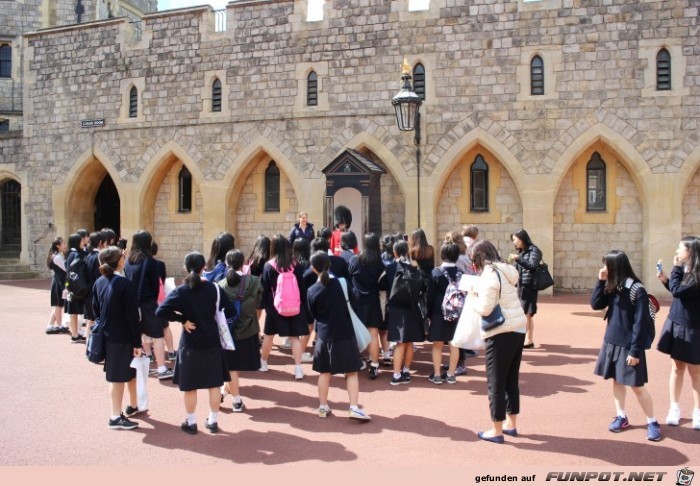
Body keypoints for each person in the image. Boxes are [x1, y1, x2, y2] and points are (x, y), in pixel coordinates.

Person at [156, 251, 233, 434]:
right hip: (212, 340)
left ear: (185, 267)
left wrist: (182, 319)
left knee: (190, 386)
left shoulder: (181, 291)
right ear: (203, 267)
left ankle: (191, 422)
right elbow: (229, 311)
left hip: (190, 343)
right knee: (214, 384)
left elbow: (161, 311)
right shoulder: (214, 288)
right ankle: (213, 421)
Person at [591, 250, 661, 441]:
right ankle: (621, 416)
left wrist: (635, 350)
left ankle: (652, 421)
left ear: (616, 266)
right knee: (617, 381)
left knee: (637, 387)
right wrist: (600, 281)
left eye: (606, 265)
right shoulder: (613, 285)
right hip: (611, 341)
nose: (604, 268)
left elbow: (640, 323)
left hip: (629, 346)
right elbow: (596, 304)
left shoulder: (637, 289)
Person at [465, 240, 526, 444]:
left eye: (474, 258)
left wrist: (473, 296)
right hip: (517, 327)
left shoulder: (489, 275)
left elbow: (485, 308)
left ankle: (496, 430)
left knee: (495, 382)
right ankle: (511, 424)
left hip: (501, 331)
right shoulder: (506, 270)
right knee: (510, 380)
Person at [307, 251, 371, 421]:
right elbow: (354, 303)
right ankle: (353, 407)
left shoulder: (312, 290)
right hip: (345, 332)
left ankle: (322, 407)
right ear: (329, 264)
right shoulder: (343, 283)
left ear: (313, 268)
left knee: (324, 372)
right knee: (351, 372)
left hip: (323, 335)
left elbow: (313, 313)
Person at [92, 246, 142, 430]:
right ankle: (114, 416)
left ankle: (133, 405)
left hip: (109, 335)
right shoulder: (125, 284)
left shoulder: (99, 282)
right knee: (118, 378)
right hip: (122, 338)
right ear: (119, 261)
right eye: (123, 256)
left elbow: (95, 310)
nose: (125, 258)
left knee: (124, 374)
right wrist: (137, 342)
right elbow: (132, 317)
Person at [656, 236, 700, 430]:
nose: (677, 251)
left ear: (690, 252)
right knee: (677, 368)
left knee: (696, 372)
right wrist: (666, 280)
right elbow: (678, 291)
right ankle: (674, 408)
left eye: (680, 248)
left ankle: (697, 411)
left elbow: (678, 292)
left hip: (693, 327)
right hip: (677, 321)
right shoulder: (684, 270)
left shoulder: (697, 274)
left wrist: (673, 271)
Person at [259, 234, 309, 379]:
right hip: (294, 306)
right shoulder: (295, 265)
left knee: (269, 336)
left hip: (275, 307)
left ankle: (263, 362)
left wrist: (263, 306)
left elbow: (265, 288)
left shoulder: (269, 266)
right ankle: (298, 368)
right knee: (295, 337)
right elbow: (301, 287)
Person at [125, 230, 173, 380]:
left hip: (132, 303)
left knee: (142, 334)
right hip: (148, 303)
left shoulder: (128, 261)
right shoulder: (150, 262)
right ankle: (161, 368)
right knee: (157, 335)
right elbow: (155, 286)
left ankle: (145, 362)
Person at [219, 249, 262, 412]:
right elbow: (258, 303)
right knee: (234, 367)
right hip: (249, 329)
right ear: (243, 263)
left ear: (227, 263)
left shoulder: (221, 285)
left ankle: (234, 398)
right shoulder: (254, 281)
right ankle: (233, 397)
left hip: (228, 331)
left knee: (231, 366)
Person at [383, 240, 425, 386]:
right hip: (412, 307)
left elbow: (384, 286)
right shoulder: (414, 268)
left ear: (394, 252)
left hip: (396, 308)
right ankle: (406, 370)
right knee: (409, 342)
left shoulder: (389, 268)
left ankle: (396, 374)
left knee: (400, 342)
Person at [348, 233, 386, 379]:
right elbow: (382, 284)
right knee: (373, 335)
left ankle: (356, 361)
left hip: (356, 300)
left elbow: (350, 277)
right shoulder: (380, 263)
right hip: (373, 301)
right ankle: (375, 365)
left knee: (355, 332)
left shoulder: (354, 259)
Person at [426, 242, 462, 384]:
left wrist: (429, 315)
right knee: (454, 344)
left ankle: (436, 375)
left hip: (438, 312)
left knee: (437, 344)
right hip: (456, 312)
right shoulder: (461, 273)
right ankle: (451, 374)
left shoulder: (435, 272)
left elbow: (430, 296)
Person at [509, 229, 542, 349]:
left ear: (522, 239)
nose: (514, 243)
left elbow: (532, 265)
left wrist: (518, 258)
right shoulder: (522, 252)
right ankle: (529, 339)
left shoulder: (534, 250)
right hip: (521, 286)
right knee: (526, 314)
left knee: (526, 314)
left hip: (529, 286)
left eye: (515, 240)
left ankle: (525, 339)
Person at [152, 241, 176, 361]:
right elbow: (163, 279)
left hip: (147, 301)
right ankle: (171, 351)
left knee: (146, 329)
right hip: (160, 299)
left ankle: (149, 354)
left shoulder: (139, 264)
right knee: (165, 326)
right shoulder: (160, 264)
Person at [293, 237, 315, 362]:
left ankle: (297, 350)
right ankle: (300, 353)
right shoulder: (308, 264)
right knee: (309, 327)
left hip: (292, 298)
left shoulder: (291, 263)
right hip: (306, 300)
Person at [65, 233, 88, 343]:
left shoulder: (69, 253)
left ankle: (74, 334)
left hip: (71, 285)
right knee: (85, 311)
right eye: (81, 240)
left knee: (73, 312)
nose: (83, 242)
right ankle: (85, 334)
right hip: (79, 285)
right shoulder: (77, 254)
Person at [46, 236, 68, 334]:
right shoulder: (58, 257)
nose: (65, 245)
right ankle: (59, 325)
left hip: (58, 280)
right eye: (63, 244)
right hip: (59, 281)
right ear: (58, 246)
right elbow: (66, 268)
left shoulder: (56, 255)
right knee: (59, 305)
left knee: (58, 305)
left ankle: (50, 325)